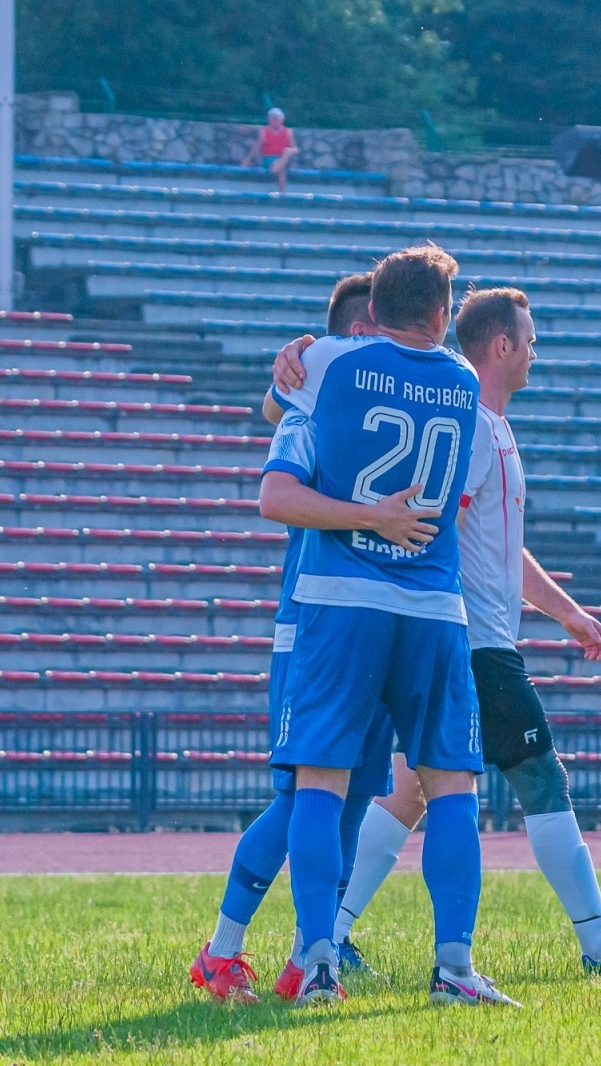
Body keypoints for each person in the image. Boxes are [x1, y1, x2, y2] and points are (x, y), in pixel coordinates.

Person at [273, 288, 601, 974]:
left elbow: (501, 546)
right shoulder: (469, 425)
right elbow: (442, 522)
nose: (534, 353)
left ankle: (336, 935)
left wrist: (567, 613)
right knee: (540, 777)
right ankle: (599, 943)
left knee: (408, 792)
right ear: (500, 345)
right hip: (474, 640)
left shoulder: (488, 425)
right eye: (528, 340)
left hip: (467, 635)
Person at [265, 244, 514, 1007]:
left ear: (374, 309)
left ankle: (315, 960)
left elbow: (278, 414)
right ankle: (454, 968)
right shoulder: (467, 382)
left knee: (321, 779)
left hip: (343, 599)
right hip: (434, 608)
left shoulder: (335, 359)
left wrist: (294, 357)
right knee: (451, 785)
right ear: (443, 313)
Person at [189, 274, 401, 1004]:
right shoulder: (317, 397)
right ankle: (224, 952)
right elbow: (278, 433)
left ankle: (311, 949)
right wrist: (292, 369)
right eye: (377, 333)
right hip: (314, 625)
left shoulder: (394, 401)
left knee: (350, 799)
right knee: (300, 796)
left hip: (379, 625)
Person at [243, 107, 298, 193]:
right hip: (269, 159)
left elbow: (294, 148)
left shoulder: (288, 132)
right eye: (273, 119)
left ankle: (277, 168)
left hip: (282, 157)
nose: (275, 121)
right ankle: (282, 194)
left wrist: (290, 151)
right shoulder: (264, 132)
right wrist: (248, 159)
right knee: (281, 168)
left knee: (285, 157)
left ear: (281, 120)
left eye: (277, 119)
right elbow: (256, 147)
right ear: (269, 120)